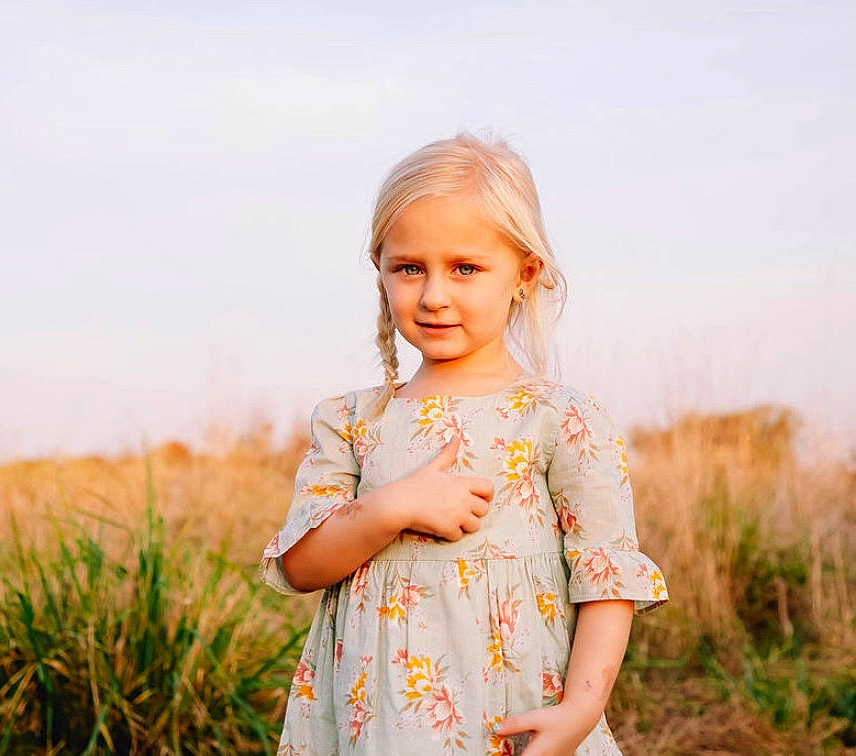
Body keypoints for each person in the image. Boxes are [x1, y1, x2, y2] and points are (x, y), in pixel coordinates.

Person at [258, 131, 669, 755]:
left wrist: (583, 709)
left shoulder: (561, 417)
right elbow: (300, 566)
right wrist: (392, 507)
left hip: (515, 717)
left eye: (466, 268)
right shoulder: (350, 420)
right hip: (379, 722)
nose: (433, 295)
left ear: (524, 274)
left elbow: (606, 573)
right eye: (410, 268)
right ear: (381, 271)